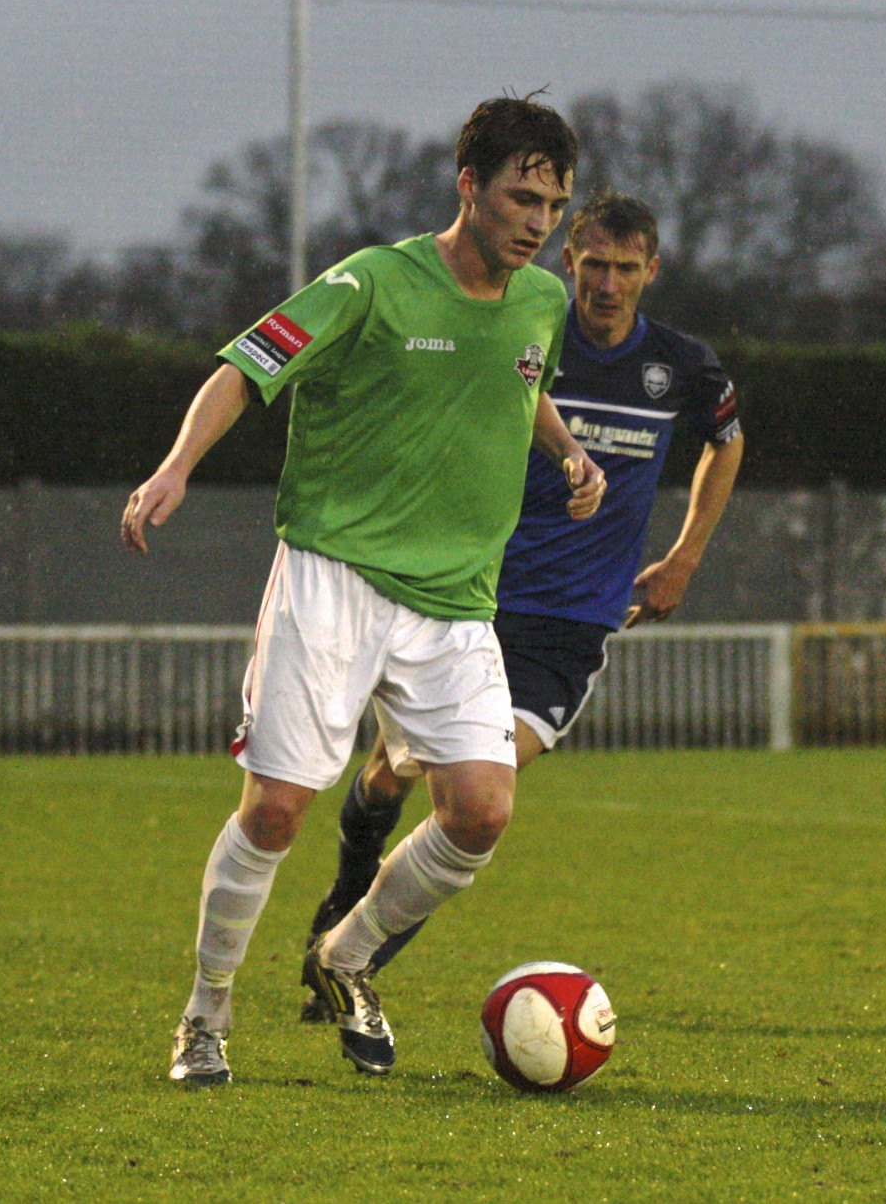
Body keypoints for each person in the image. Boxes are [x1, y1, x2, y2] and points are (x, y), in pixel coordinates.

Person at [123, 95, 607, 1087]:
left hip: (457, 598)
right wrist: (176, 468)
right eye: (520, 196)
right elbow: (245, 365)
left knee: (481, 809)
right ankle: (205, 1013)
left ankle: (345, 953)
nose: (536, 221)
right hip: (333, 577)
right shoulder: (373, 283)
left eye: (552, 206)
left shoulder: (541, 303)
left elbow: (516, 384)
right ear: (468, 185)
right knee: (276, 813)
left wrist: (566, 451)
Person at [298, 189, 745, 1020]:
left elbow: (727, 439)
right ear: (567, 262)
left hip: (570, 626)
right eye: (594, 266)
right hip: (467, 600)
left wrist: (684, 555)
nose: (607, 285)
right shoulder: (522, 329)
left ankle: (346, 966)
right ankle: (354, 866)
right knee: (402, 773)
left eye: (625, 268)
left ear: (652, 271)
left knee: (479, 797)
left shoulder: (682, 366)